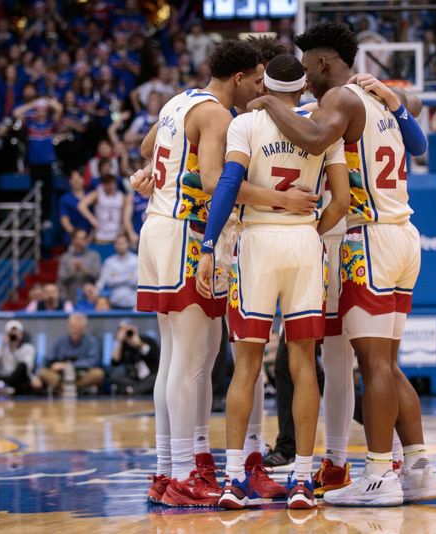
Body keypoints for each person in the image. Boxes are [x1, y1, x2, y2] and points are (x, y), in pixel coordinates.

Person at [247, 21, 436, 506]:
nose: (304, 80)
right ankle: (419, 465)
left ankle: (378, 474)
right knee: (389, 364)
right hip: (403, 234)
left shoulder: (340, 98)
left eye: (307, 68)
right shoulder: (378, 97)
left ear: (320, 62)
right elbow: (415, 107)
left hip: (369, 237)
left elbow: (315, 140)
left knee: (373, 363)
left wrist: (270, 102)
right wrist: (396, 95)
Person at [130, 39, 318, 508]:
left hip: (158, 227)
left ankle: (172, 469)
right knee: (194, 360)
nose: (261, 91)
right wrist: (280, 199)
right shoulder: (217, 114)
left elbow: (146, 146)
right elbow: (216, 182)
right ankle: (182, 472)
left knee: (182, 356)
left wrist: (153, 174)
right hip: (183, 231)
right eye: (257, 81)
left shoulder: (179, 100)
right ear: (240, 78)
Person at [196, 53, 350, 510]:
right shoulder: (323, 125)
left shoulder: (245, 123)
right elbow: (339, 202)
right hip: (304, 245)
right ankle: (303, 479)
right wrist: (310, 233)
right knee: (303, 361)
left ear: (266, 86)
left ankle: (232, 480)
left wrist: (208, 247)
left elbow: (226, 186)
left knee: (246, 364)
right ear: (302, 89)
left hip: (257, 242)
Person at [39, 313, 104, 393]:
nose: (75, 331)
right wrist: (53, 366)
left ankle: (71, 387)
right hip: (61, 376)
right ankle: (65, 387)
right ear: (69, 327)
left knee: (98, 374)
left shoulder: (92, 342)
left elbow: (92, 361)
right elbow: (47, 359)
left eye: (79, 329)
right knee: (43, 372)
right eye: (73, 328)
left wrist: (69, 366)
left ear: (84, 328)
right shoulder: (61, 341)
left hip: (82, 374)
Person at [0, 320, 41, 395]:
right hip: (4, 377)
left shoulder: (28, 348)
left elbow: (27, 367)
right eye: (11, 334)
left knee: (22, 366)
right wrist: (3, 346)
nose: (13, 336)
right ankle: (4, 386)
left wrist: (14, 349)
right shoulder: (3, 348)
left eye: (16, 333)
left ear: (21, 334)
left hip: (18, 379)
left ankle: (6, 387)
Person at [110, 322, 158, 395]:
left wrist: (139, 344)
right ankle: (137, 390)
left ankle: (131, 390)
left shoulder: (147, 340)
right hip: (131, 378)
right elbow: (114, 362)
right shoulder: (123, 345)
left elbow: (153, 355)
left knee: (156, 378)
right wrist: (119, 342)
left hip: (148, 376)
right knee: (115, 375)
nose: (127, 333)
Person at [56, 229, 101, 304]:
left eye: (85, 238)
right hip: (70, 297)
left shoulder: (94, 256)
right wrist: (73, 272)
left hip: (90, 299)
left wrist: (84, 269)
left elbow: (97, 275)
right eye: (81, 238)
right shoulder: (65, 257)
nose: (85, 240)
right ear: (73, 240)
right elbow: (61, 277)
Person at [78, 173, 125, 244]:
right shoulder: (97, 194)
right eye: (107, 184)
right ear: (103, 185)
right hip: (101, 235)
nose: (110, 186)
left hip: (116, 235)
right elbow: (81, 206)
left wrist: (123, 228)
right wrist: (92, 219)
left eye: (112, 183)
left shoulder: (121, 196)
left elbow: (124, 215)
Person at [96, 234, 138, 310]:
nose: (120, 246)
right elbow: (106, 281)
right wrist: (128, 276)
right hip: (114, 303)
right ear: (115, 245)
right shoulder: (109, 262)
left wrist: (116, 277)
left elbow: (135, 281)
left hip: (133, 303)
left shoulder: (136, 260)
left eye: (122, 243)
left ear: (127, 244)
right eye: (117, 244)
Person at [59, 170, 92, 245]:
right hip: (72, 239)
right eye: (73, 179)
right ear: (69, 181)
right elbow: (64, 220)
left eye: (79, 178)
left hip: (90, 238)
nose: (76, 181)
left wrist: (89, 237)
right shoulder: (65, 199)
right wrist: (76, 237)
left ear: (83, 180)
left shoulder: (90, 196)